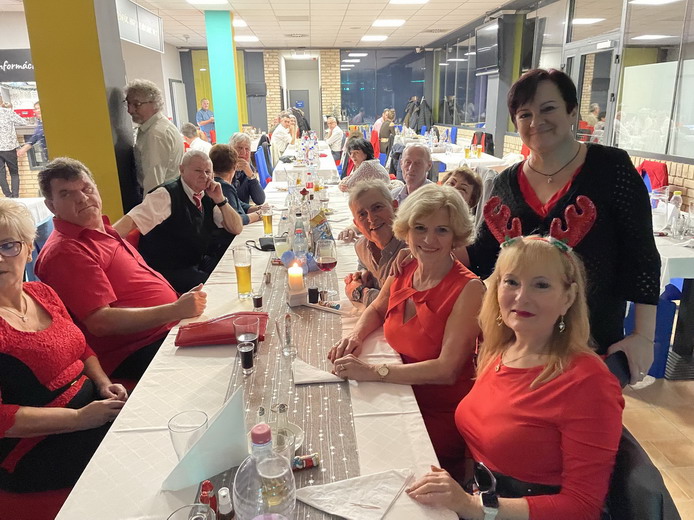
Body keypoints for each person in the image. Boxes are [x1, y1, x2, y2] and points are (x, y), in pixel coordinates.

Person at [407, 236, 624, 520]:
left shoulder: (588, 382)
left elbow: (582, 507)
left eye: (541, 285)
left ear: (568, 298)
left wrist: (472, 506)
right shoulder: (500, 352)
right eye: (511, 282)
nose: (521, 297)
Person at [466, 68, 660, 385]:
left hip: (592, 342)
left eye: (548, 109)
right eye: (525, 114)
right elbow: (484, 256)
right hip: (521, 344)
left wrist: (643, 335)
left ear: (572, 112)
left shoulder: (611, 168)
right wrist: (421, 250)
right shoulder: (505, 183)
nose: (536, 122)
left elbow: (641, 256)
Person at [328, 184, 484, 479]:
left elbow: (447, 371)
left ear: (456, 236)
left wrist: (374, 372)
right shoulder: (408, 265)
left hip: (434, 414)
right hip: (394, 392)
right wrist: (355, 336)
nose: (428, 239)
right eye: (420, 228)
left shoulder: (469, 289)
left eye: (442, 230)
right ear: (407, 230)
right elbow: (377, 308)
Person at [34, 158, 207, 379]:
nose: (82, 198)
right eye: (66, 194)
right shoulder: (65, 251)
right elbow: (100, 322)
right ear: (51, 206)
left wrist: (177, 307)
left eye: (86, 188)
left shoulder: (103, 230)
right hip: (135, 350)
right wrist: (175, 310)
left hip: (165, 327)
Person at [0, 199, 129, 492]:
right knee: (130, 454)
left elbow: (81, 348)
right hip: (30, 445)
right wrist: (79, 418)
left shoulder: (41, 293)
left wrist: (104, 384)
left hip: (90, 408)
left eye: (8, 246)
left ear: (29, 250)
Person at [114, 150, 243, 293]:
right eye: (198, 171)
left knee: (232, 272)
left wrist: (220, 200)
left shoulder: (208, 194)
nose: (204, 176)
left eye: (208, 172)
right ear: (181, 170)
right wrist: (101, 242)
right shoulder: (165, 195)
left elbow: (236, 228)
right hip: (168, 269)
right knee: (218, 288)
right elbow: (131, 221)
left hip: (195, 261)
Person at [344, 180, 406, 307]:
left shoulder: (411, 250)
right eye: (362, 214)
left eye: (377, 208)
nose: (371, 218)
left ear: (395, 207)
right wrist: (362, 275)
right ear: (356, 224)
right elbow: (363, 266)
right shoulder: (361, 246)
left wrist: (359, 292)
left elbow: (399, 305)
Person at [125, 79, 184, 195]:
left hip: (161, 199)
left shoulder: (155, 134)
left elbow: (153, 184)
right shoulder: (160, 127)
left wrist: (147, 206)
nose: (130, 110)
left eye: (137, 104)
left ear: (154, 103)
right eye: (128, 103)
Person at [209, 144, 263, 227]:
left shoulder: (215, 183)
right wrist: (258, 215)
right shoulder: (224, 187)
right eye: (240, 148)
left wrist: (259, 208)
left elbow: (237, 204)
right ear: (234, 167)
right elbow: (237, 219)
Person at [229, 132, 266, 205]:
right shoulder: (225, 169)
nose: (243, 152)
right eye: (239, 148)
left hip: (244, 210)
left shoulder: (248, 167)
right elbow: (232, 202)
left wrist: (251, 176)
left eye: (247, 149)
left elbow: (260, 200)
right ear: (231, 149)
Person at [0, 102, 27, 198]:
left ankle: (8, 195)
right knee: (14, 173)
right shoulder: (7, 112)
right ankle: (15, 196)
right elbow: (24, 122)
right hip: (9, 147)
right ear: (1, 102)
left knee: (1, 173)